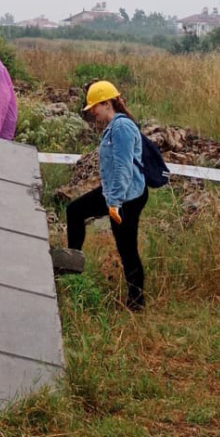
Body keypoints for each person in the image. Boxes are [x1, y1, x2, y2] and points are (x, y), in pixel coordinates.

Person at [64, 80, 149, 311]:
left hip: (126, 197)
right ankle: (72, 265)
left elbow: (123, 168)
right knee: (75, 211)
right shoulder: (114, 126)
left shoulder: (122, 128)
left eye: (95, 107)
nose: (92, 112)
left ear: (107, 103)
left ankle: (137, 304)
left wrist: (114, 204)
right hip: (115, 192)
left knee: (127, 249)